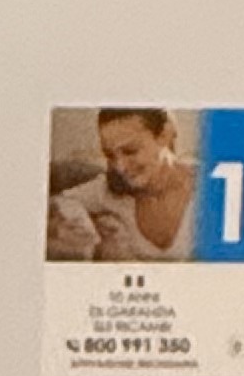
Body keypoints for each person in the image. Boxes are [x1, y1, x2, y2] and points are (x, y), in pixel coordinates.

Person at [45, 108, 199, 263]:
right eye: (110, 155)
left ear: (165, 135)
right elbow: (59, 202)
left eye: (130, 151)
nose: (120, 167)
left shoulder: (208, 185)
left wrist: (127, 259)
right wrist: (84, 223)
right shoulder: (108, 188)